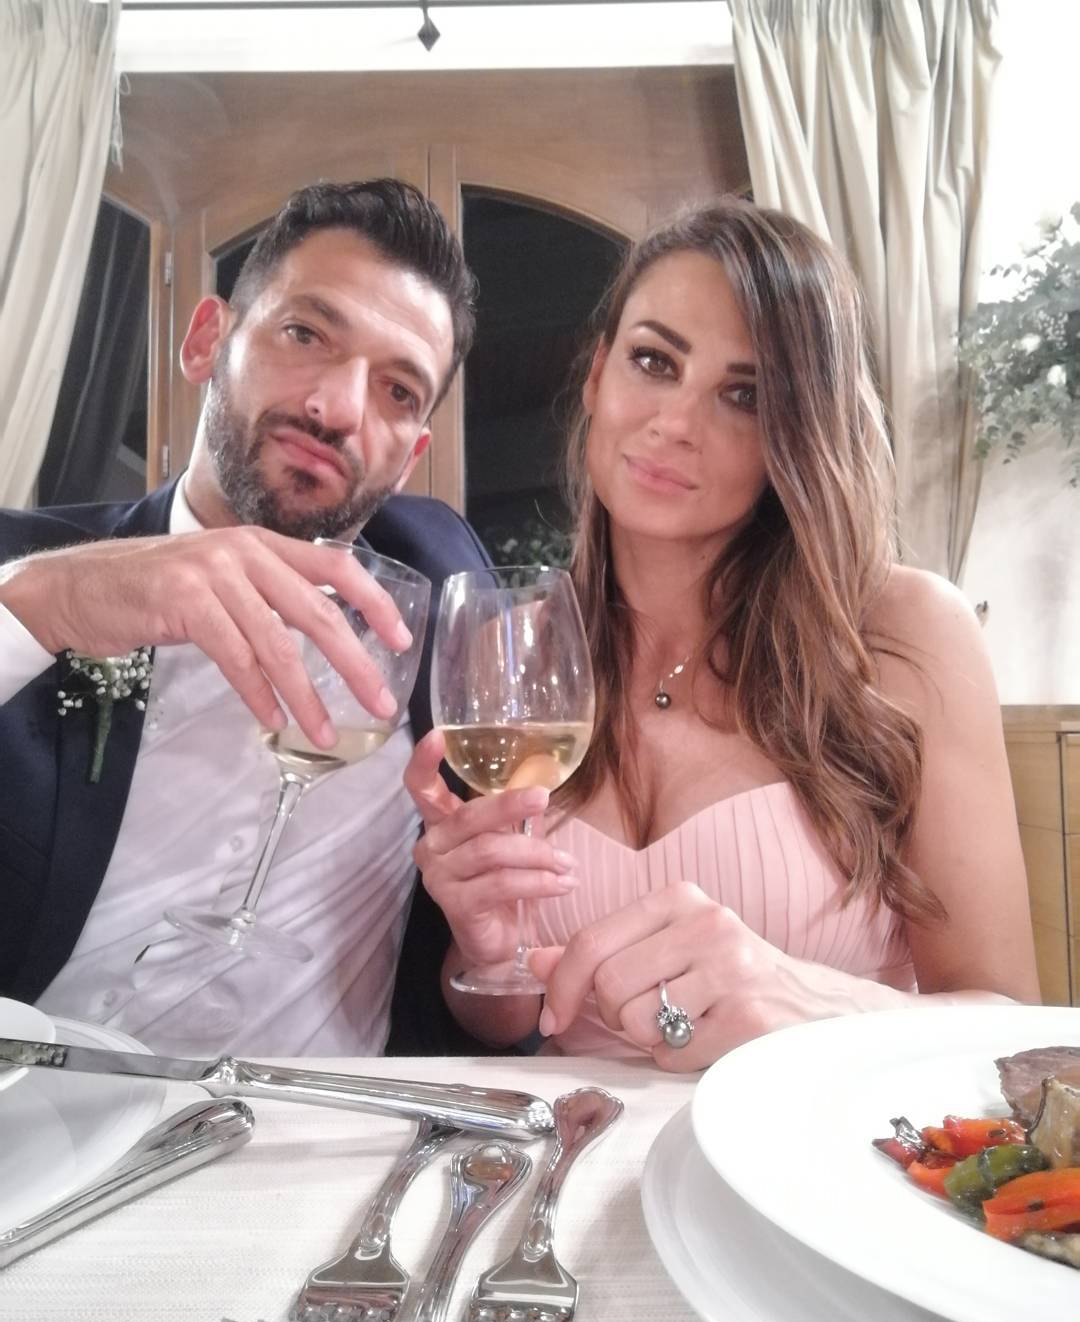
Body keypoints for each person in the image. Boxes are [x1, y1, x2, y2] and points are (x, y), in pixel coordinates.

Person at [405, 196, 1041, 1071]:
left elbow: (1011, 1024)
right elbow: (511, 1017)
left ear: (797, 433)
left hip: (812, 1145)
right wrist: (483, 955)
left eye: (744, 395)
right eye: (653, 361)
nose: (675, 422)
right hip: (566, 1140)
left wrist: (809, 1001)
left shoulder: (902, 634)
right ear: (597, 376)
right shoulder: (515, 649)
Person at [0, 178, 489, 1056]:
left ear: (410, 457)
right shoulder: (32, 577)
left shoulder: (435, 585)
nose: (339, 410)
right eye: (306, 334)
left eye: (397, 391)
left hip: (321, 1127)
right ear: (206, 341)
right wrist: (53, 601)